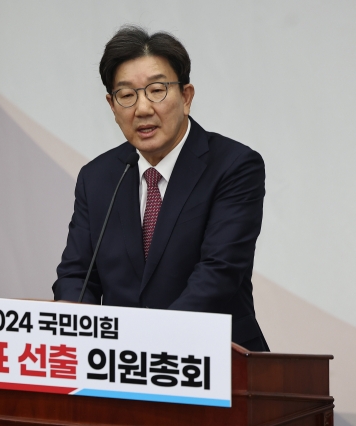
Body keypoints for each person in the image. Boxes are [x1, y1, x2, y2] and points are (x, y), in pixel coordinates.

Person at [53, 26, 269, 352]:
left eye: (157, 90)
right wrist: (76, 328)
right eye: (127, 95)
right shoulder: (97, 177)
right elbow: (77, 275)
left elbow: (218, 273)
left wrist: (151, 344)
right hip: (121, 367)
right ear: (112, 106)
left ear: (186, 97)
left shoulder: (234, 166)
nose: (142, 109)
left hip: (218, 366)